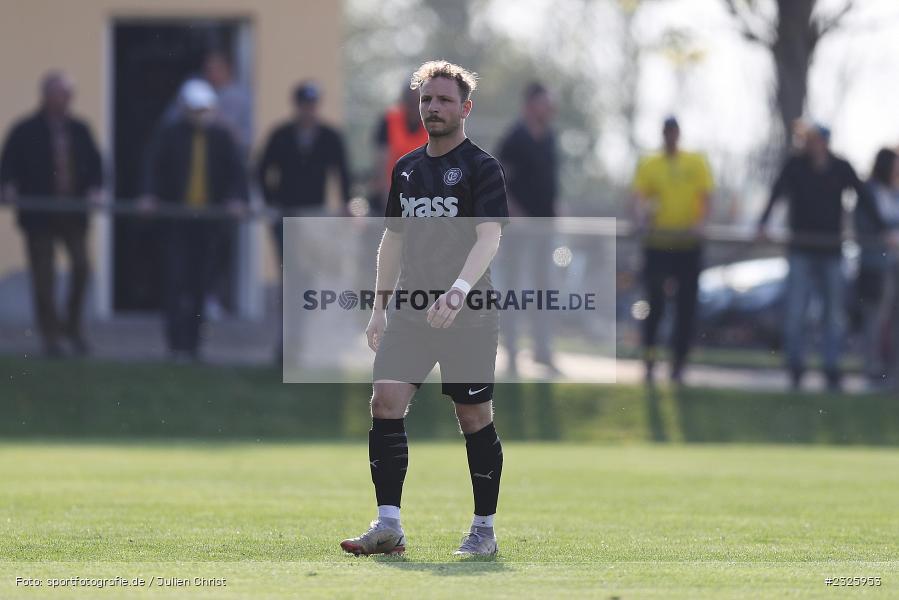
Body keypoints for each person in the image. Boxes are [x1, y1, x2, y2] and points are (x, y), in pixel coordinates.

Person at [339, 60, 509, 557]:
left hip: (469, 313)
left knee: (473, 416)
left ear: (466, 108)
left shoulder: (482, 167)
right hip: (413, 312)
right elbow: (391, 242)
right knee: (384, 402)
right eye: (427, 100)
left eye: (444, 100)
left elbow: (489, 237)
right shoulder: (407, 168)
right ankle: (388, 525)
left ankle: (483, 531)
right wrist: (378, 309)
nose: (433, 108)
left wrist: (457, 290)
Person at [757, 125, 885, 391]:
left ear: (825, 142)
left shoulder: (840, 167)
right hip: (801, 248)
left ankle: (831, 367)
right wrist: (763, 223)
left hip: (830, 250)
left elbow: (864, 196)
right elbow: (776, 192)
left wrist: (884, 229)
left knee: (832, 314)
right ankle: (795, 366)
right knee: (795, 310)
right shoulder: (795, 165)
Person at [139, 79, 247, 361]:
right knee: (175, 282)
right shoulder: (169, 135)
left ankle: (195, 345)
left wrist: (237, 199)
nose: (201, 115)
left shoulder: (223, 138)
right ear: (184, 108)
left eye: (205, 110)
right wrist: (149, 194)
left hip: (208, 224)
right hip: (176, 221)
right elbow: (152, 166)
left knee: (201, 285)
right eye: (196, 110)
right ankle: (175, 346)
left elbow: (238, 174)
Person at [0, 71, 103, 357]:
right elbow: (7, 163)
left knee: (81, 268)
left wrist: (96, 189)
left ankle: (73, 328)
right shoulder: (25, 130)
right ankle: (51, 337)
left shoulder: (80, 130)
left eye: (69, 95)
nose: (66, 100)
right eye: (60, 94)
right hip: (39, 215)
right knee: (43, 278)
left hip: (73, 213)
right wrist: (8, 187)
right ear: (45, 96)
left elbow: (96, 165)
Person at [632, 116, 714, 385]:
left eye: (673, 132)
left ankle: (679, 363)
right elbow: (639, 199)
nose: (670, 136)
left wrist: (700, 223)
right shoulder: (650, 164)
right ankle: (650, 358)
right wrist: (642, 219)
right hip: (658, 244)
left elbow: (705, 197)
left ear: (678, 134)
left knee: (685, 307)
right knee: (654, 304)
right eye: (666, 132)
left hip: (688, 246)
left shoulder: (696, 162)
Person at [496, 82, 558, 374]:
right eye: (543, 103)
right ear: (530, 105)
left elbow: (550, 183)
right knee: (514, 287)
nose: (548, 109)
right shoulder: (514, 138)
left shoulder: (550, 139)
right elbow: (498, 183)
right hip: (518, 230)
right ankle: (510, 352)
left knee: (543, 288)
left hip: (544, 229)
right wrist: (515, 214)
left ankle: (542, 351)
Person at [257, 81, 351, 258]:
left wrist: (346, 202)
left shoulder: (330, 137)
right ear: (297, 105)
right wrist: (269, 201)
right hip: (285, 211)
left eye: (312, 104)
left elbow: (343, 171)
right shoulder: (281, 135)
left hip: (315, 211)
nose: (309, 110)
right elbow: (262, 169)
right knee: (288, 261)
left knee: (313, 261)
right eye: (304, 105)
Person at [855, 148, 899, 387]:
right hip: (876, 265)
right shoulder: (869, 192)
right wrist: (886, 237)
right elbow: (864, 226)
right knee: (875, 317)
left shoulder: (896, 193)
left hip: (895, 264)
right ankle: (872, 369)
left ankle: (894, 372)